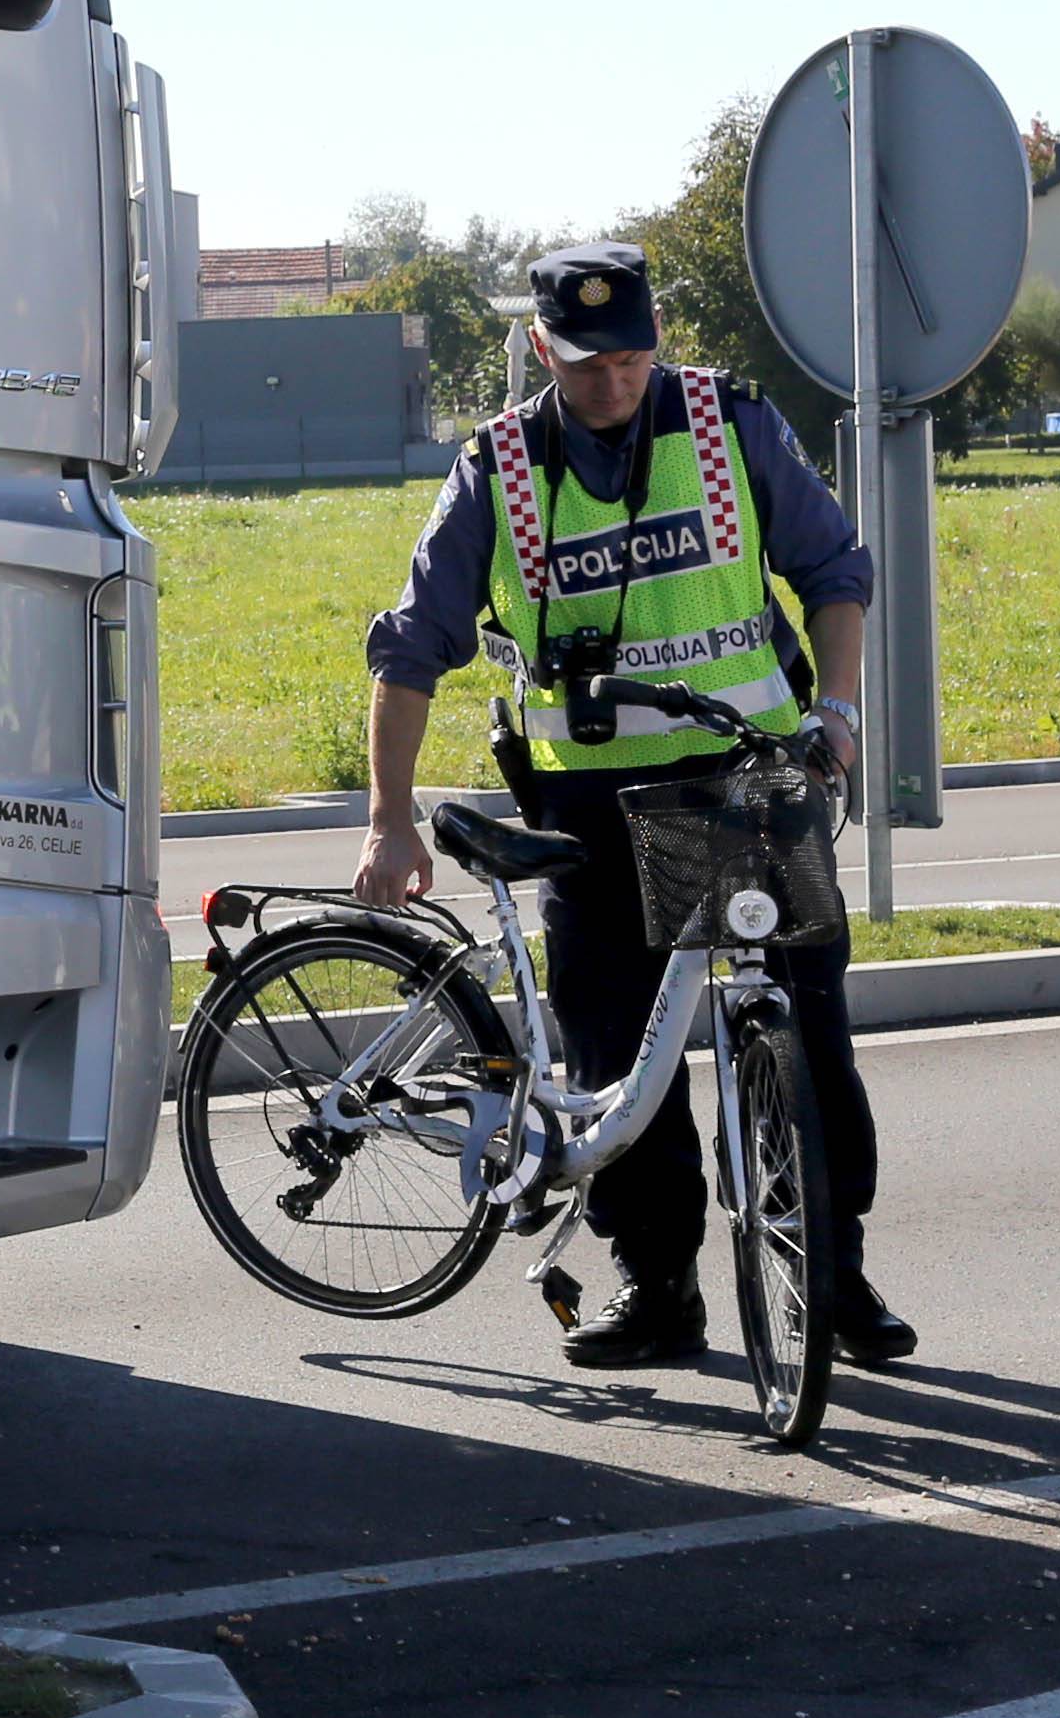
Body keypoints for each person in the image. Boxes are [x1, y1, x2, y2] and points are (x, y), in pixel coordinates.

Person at [356, 241, 916, 1371]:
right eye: (582, 363)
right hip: (588, 805)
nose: (611, 382)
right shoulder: (499, 466)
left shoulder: (729, 425)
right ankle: (658, 1288)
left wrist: (840, 710)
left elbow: (835, 574)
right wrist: (389, 814)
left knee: (805, 1031)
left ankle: (835, 1273)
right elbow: (411, 648)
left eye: (629, 358)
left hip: (744, 781)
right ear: (539, 349)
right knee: (620, 1059)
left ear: (657, 341)